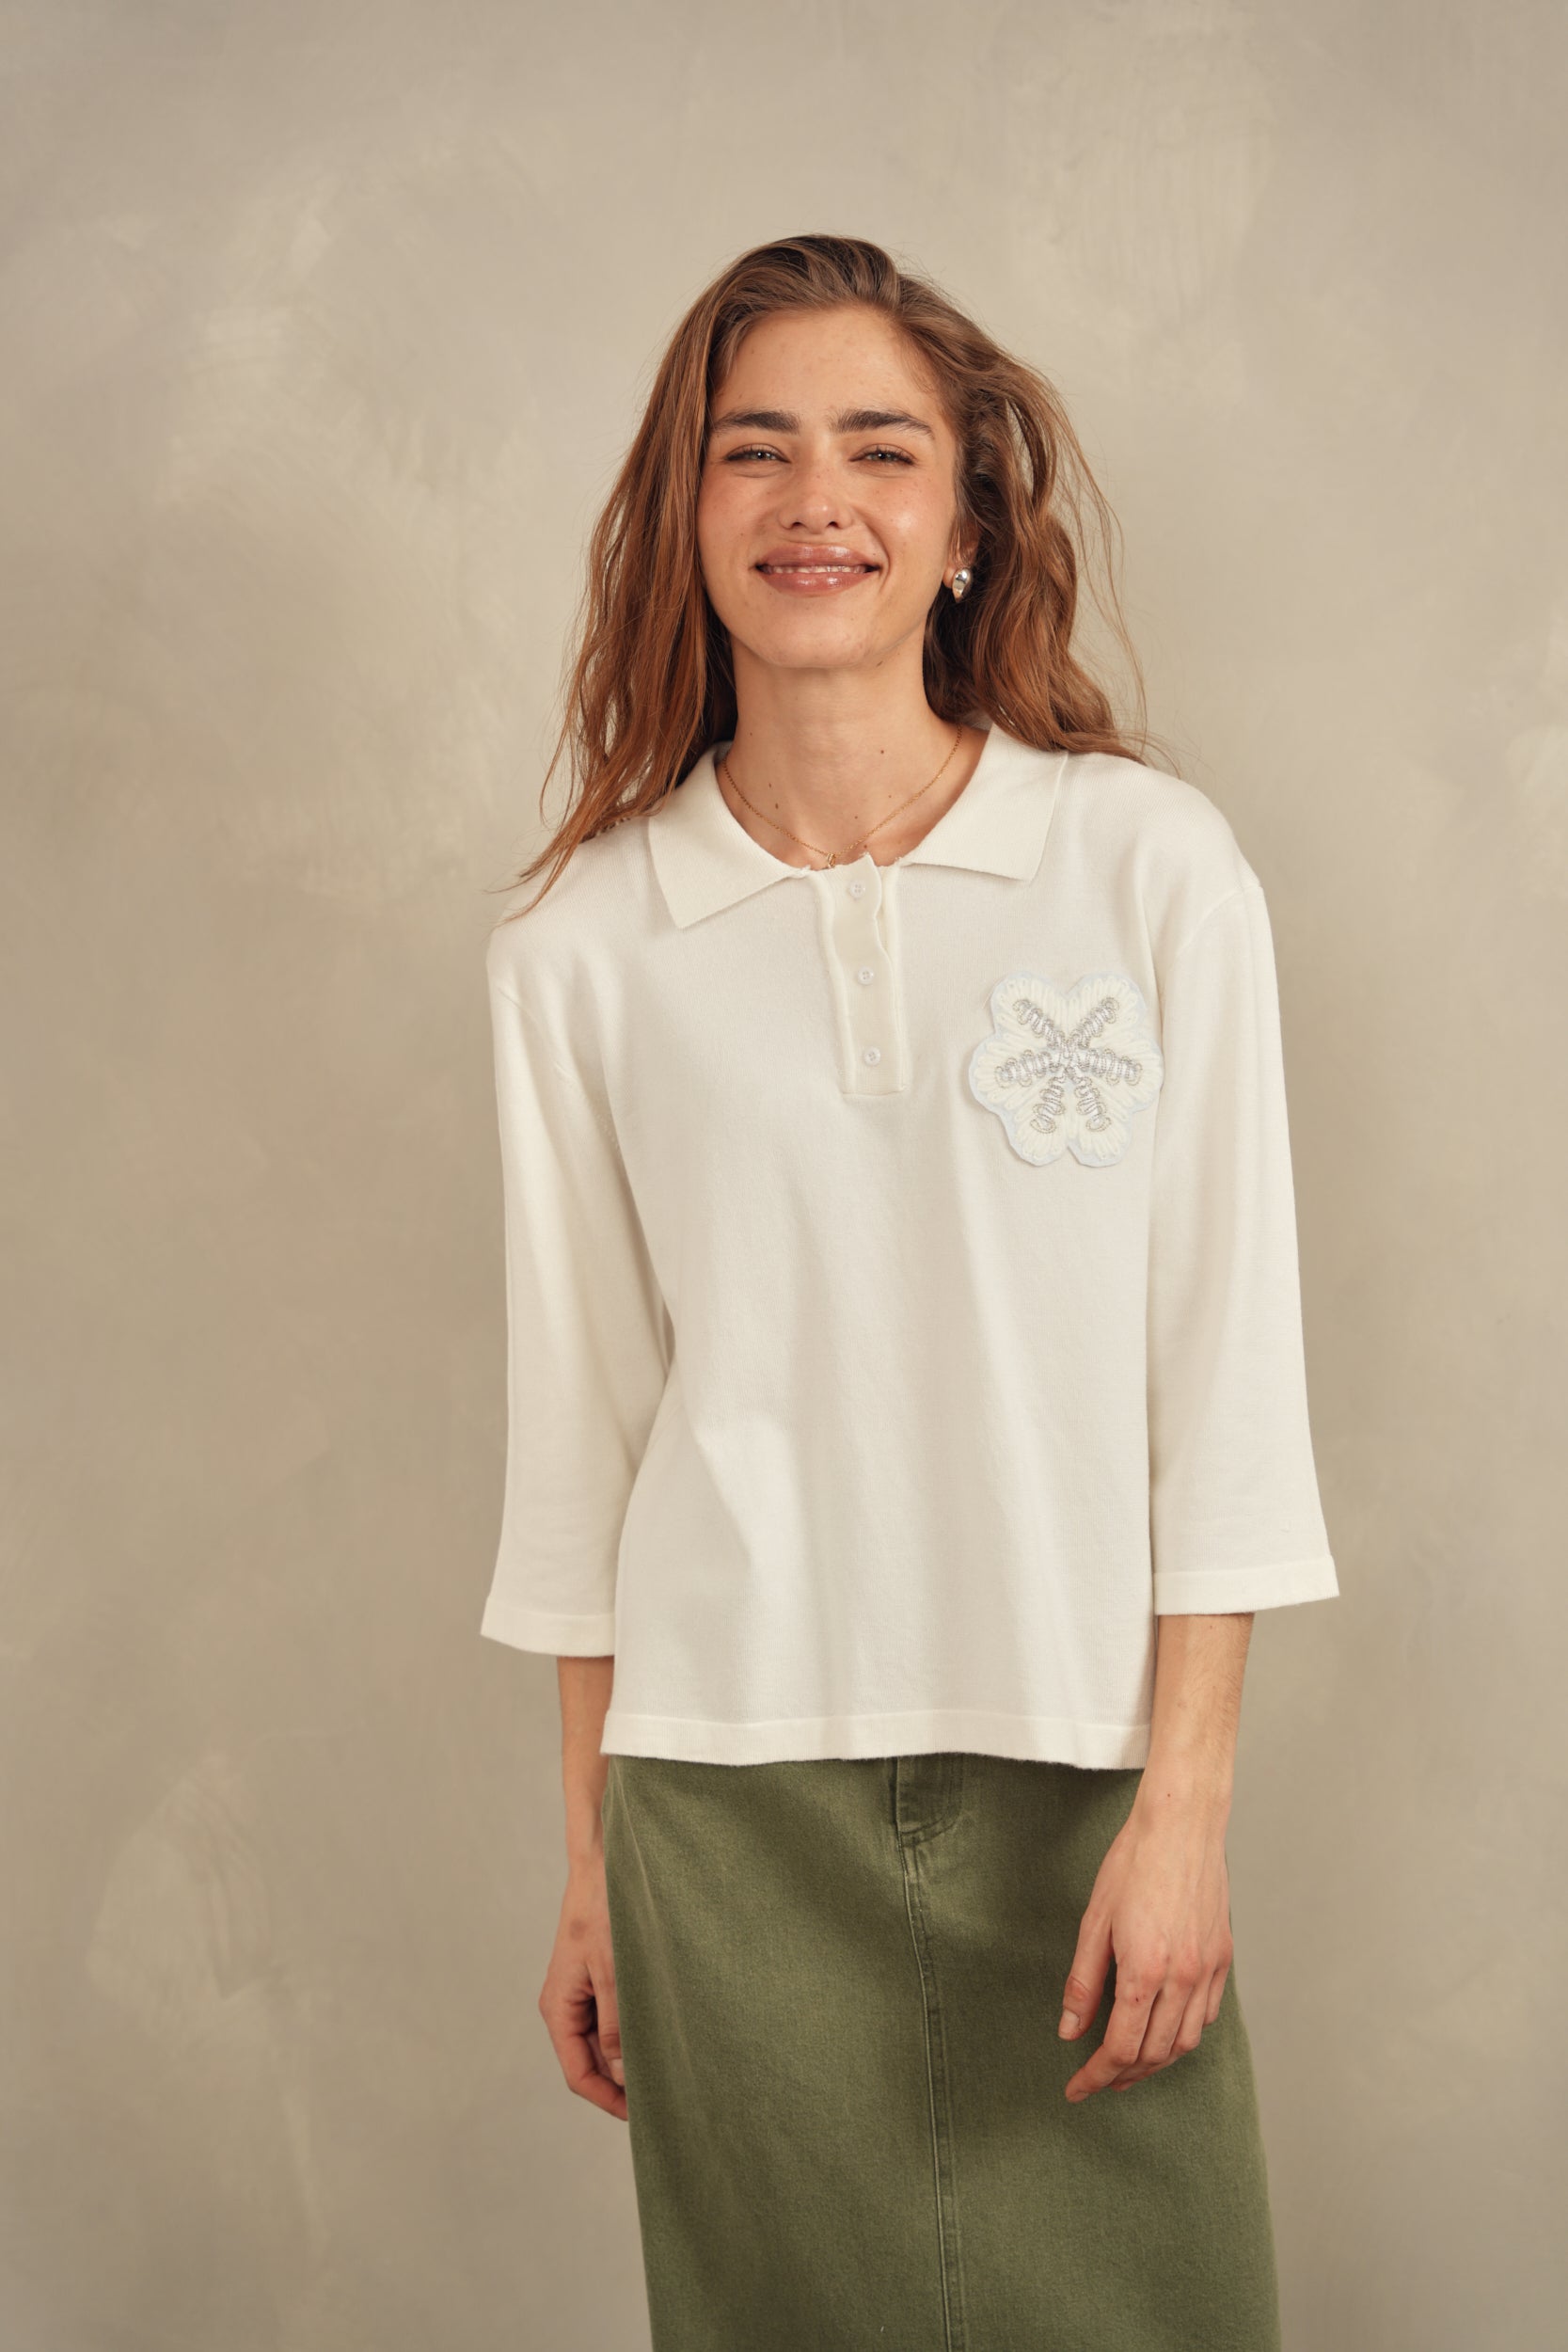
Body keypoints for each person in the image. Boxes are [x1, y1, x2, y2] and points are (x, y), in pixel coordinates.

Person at [479, 231, 1338, 2352]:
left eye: (880, 450)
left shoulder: (1148, 869)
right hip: (725, 1807)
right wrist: (591, 1861)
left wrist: (1185, 1811)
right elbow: (584, 1447)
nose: (817, 501)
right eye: (753, 450)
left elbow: (1224, 1375)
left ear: (966, 528)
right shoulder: (580, 951)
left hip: (1083, 1787)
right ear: (687, 517)